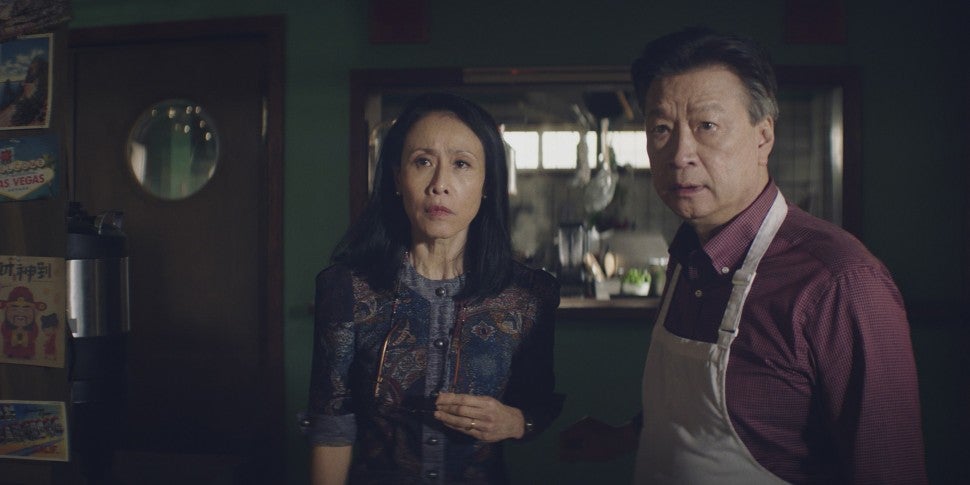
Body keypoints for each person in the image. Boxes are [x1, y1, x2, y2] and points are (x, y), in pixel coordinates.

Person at [560, 27, 927, 484]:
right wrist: (627, 436)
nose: (680, 155)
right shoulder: (688, 257)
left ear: (763, 136)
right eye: (661, 129)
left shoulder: (841, 282)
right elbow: (730, 412)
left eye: (707, 126)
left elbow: (891, 469)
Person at [301, 92, 563, 484]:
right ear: (397, 177)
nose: (440, 184)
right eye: (423, 161)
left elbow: (538, 405)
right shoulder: (348, 289)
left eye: (461, 164)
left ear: (487, 182)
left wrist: (514, 422)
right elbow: (332, 427)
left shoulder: (528, 295)